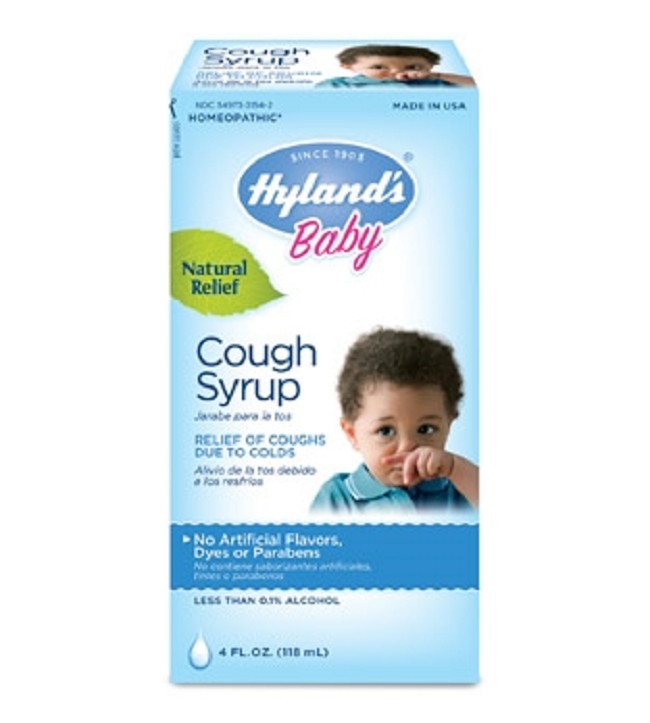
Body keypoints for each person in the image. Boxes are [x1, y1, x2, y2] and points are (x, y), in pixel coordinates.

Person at [311, 328, 478, 515]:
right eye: (385, 431)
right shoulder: (337, 498)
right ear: (352, 434)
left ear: (449, 424)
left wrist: (455, 467)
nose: (407, 447)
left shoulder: (458, 485)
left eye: (425, 429)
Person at [316, 44, 475, 88]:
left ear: (431, 66)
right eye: (379, 67)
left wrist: (437, 76)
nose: (396, 73)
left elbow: (474, 87)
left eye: (413, 67)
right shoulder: (339, 85)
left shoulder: (435, 83)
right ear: (349, 67)